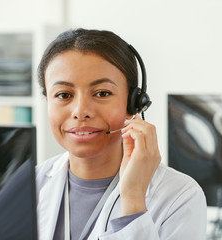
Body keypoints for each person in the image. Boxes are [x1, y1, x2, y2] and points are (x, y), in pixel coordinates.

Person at [35, 28, 207, 240]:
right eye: (63, 95)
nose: (80, 111)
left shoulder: (179, 196)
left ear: (133, 103)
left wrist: (133, 199)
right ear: (47, 103)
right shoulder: (27, 186)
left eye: (102, 93)